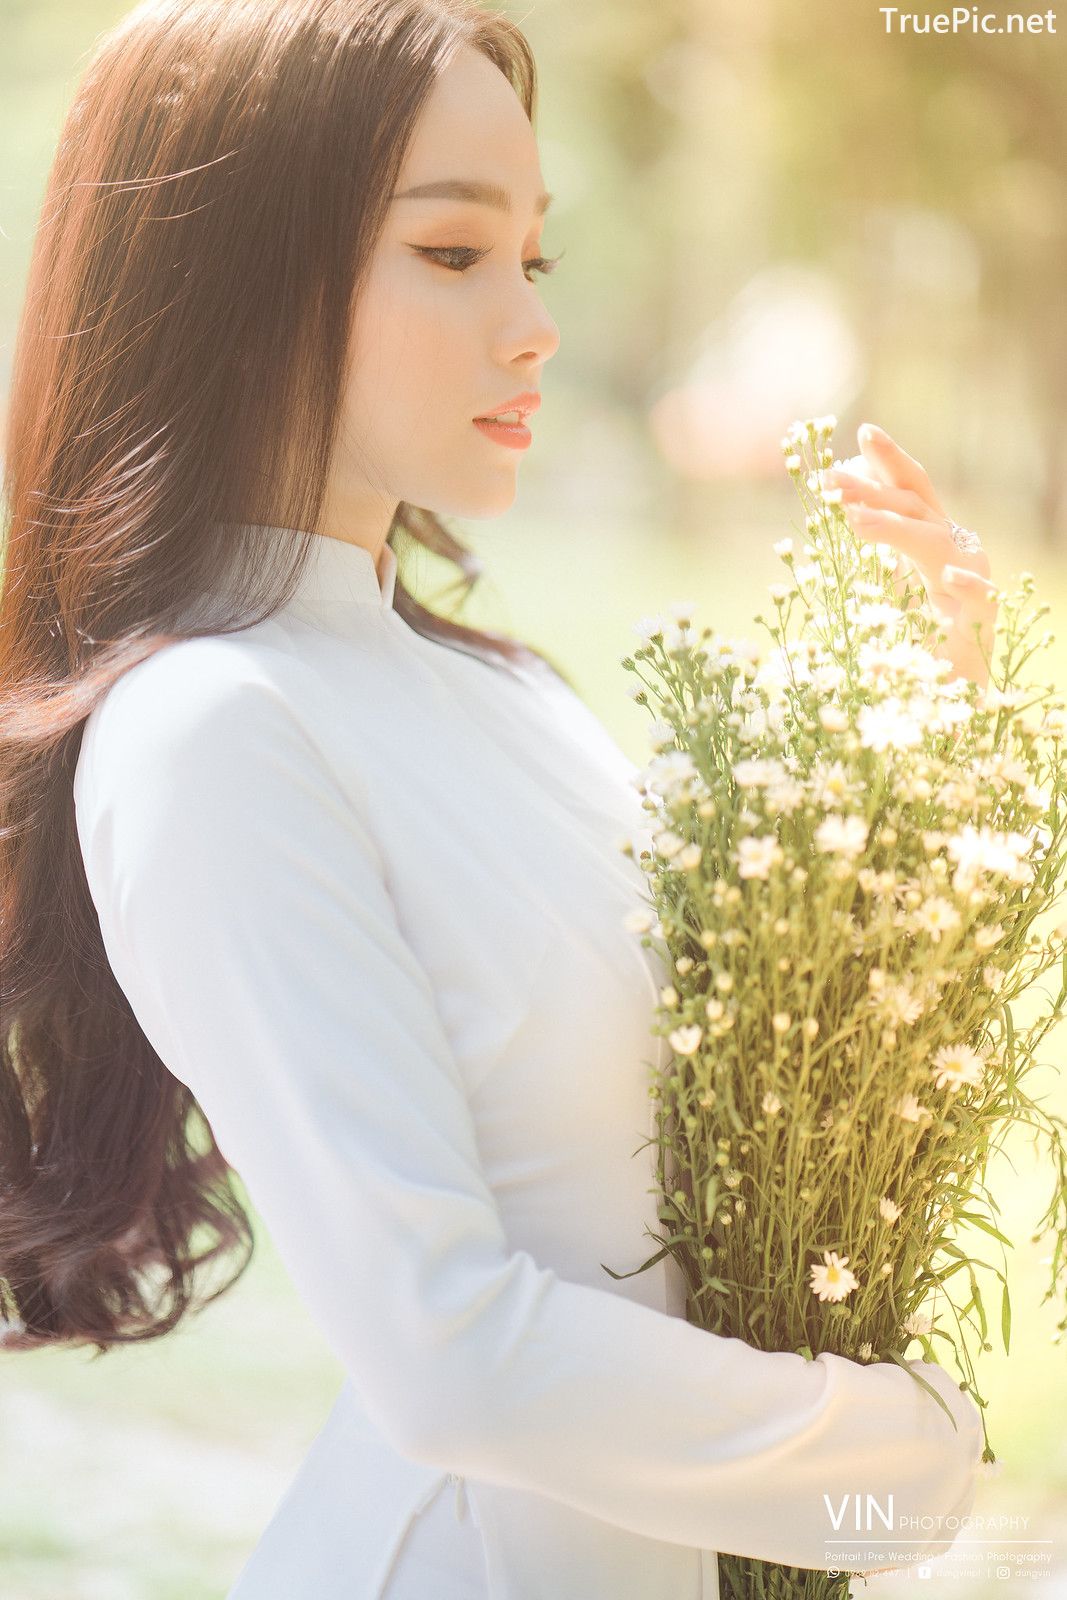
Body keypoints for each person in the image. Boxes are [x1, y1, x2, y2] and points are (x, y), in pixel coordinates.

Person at [0, 3, 987, 1598]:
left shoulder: (507, 694)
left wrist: (919, 712)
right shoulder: (214, 731)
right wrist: (898, 1464)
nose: (530, 326)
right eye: (453, 256)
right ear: (241, 272)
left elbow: (749, 1071)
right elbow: (448, 1351)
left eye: (536, 260)